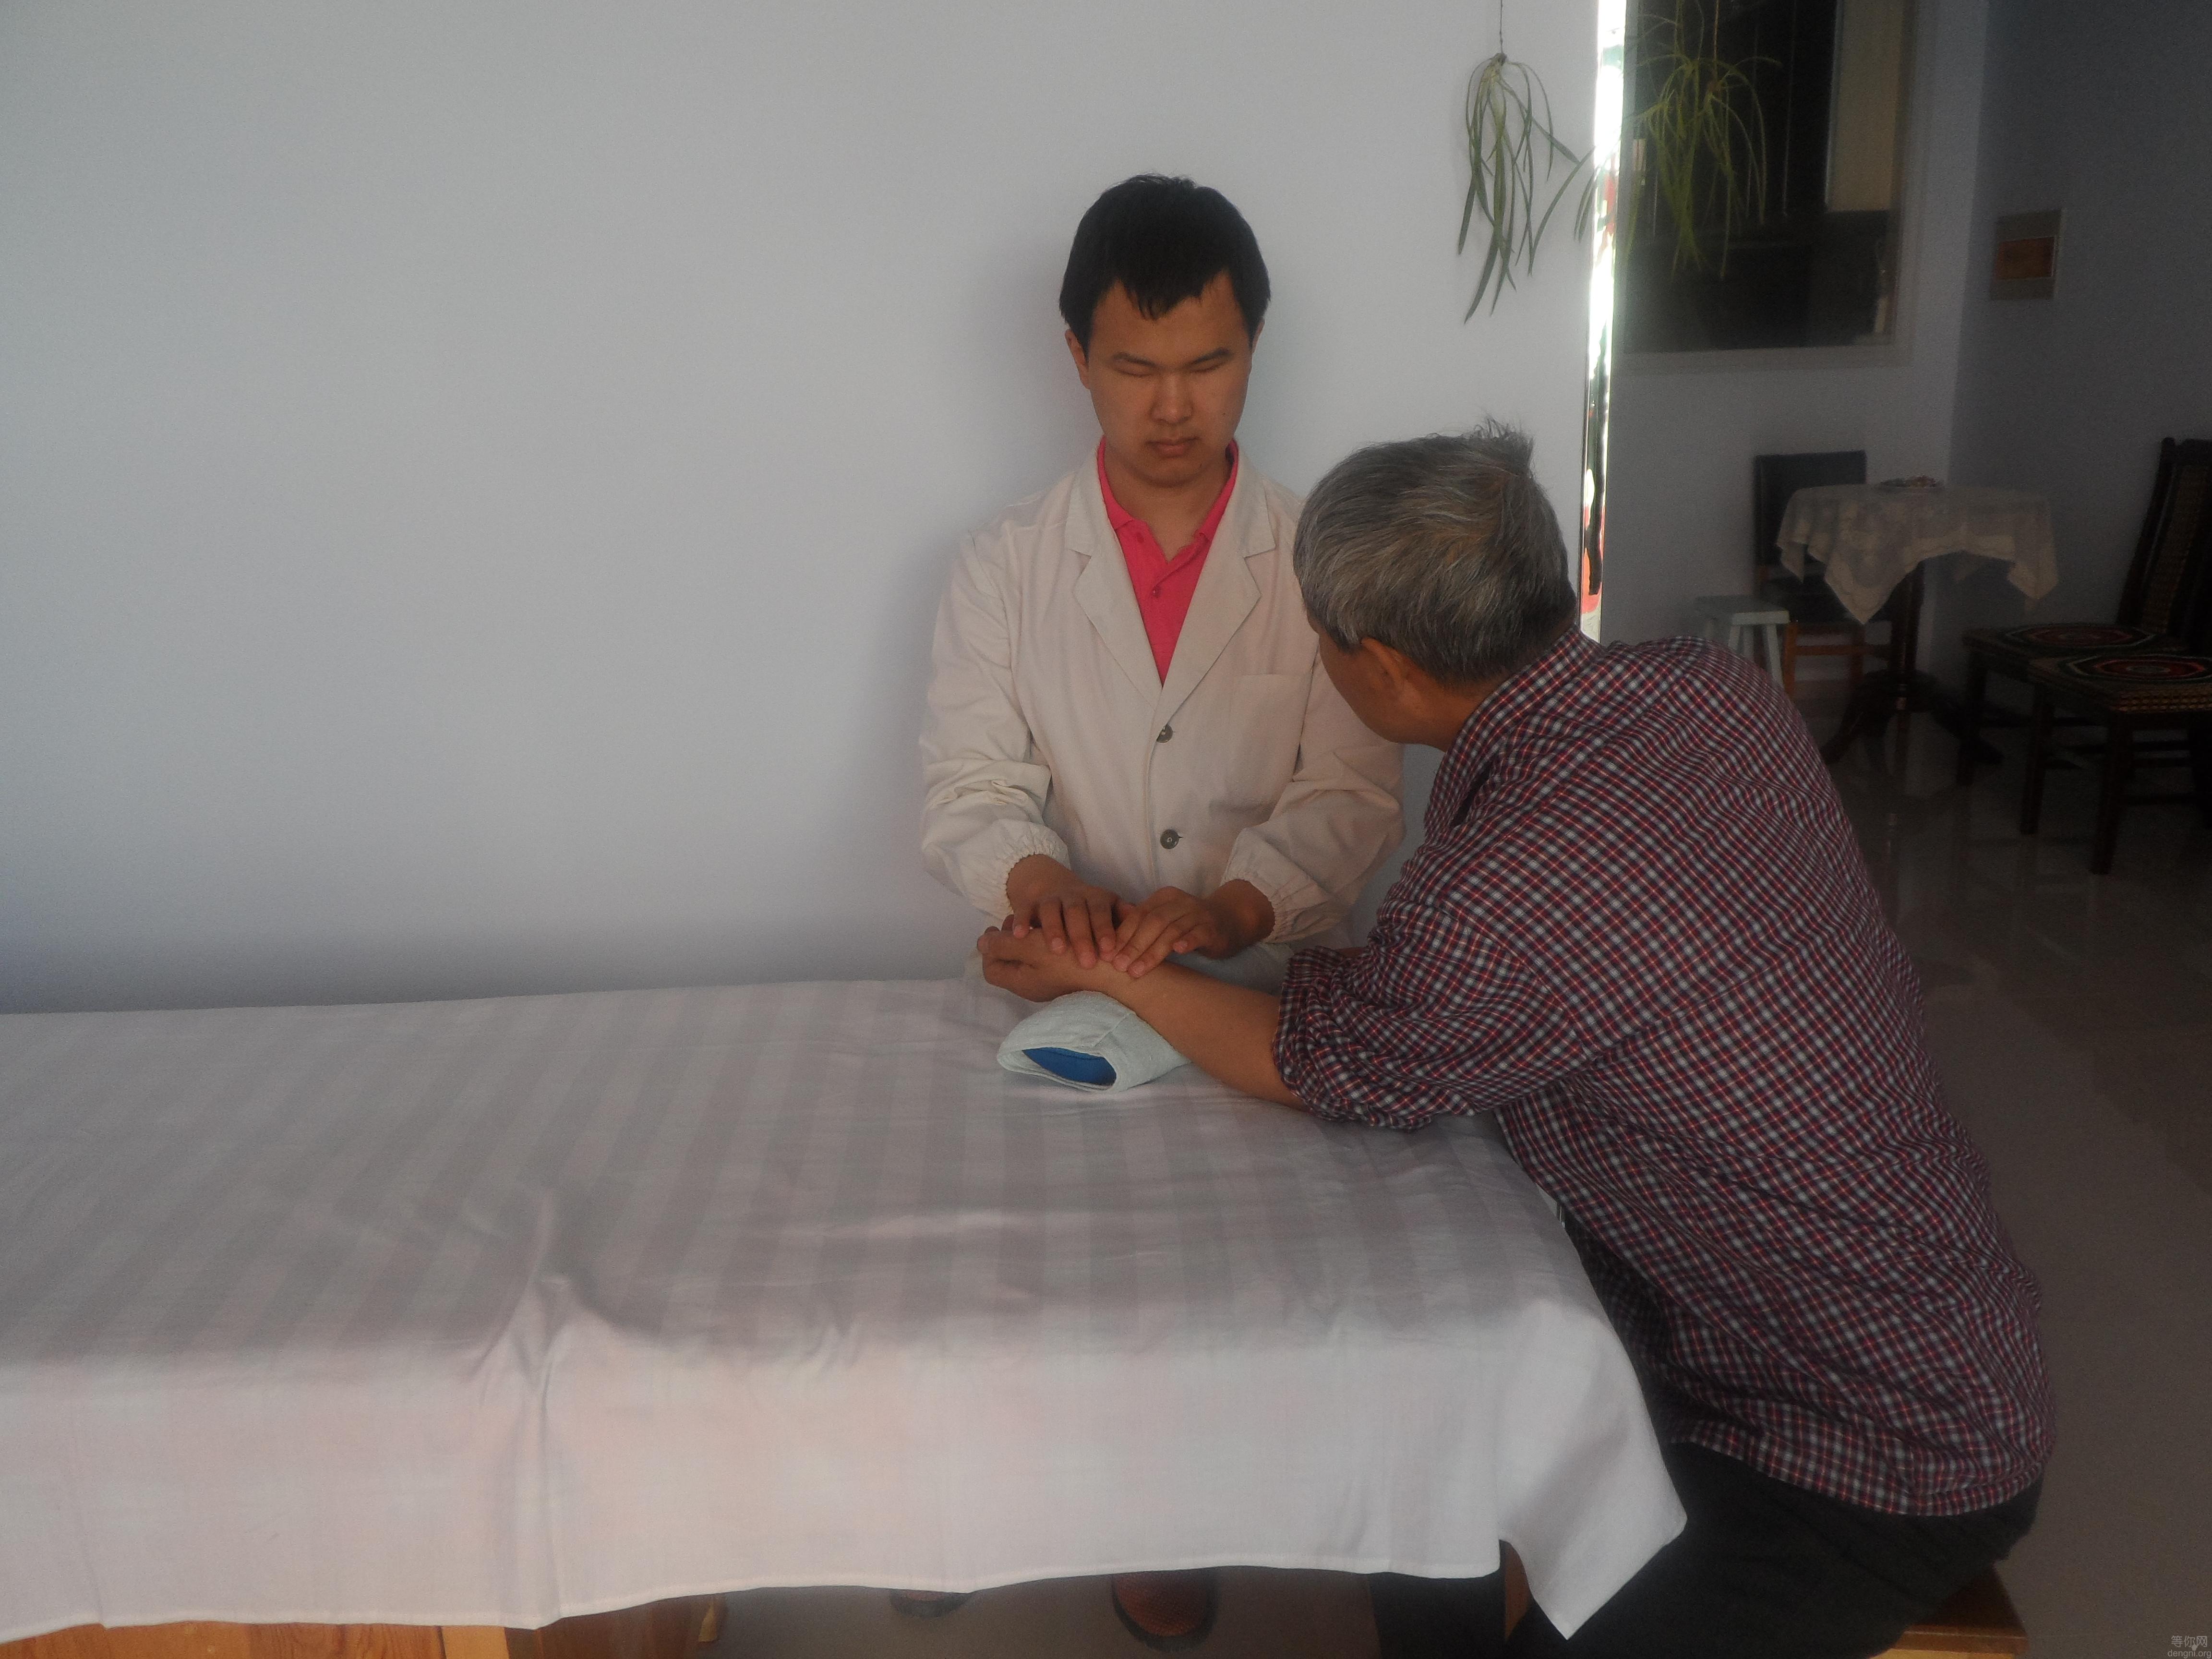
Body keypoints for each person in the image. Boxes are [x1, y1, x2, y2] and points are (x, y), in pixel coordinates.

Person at [977, 423, 2054, 1659]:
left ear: (1385, 670)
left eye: (1319, 637)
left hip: (1867, 1439)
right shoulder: (1712, 693)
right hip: (1909, 1321)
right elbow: (1465, 997)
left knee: (1435, 1399)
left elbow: (1325, 1063)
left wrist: (1106, 971)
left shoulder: (1501, 894)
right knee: (1428, 1444)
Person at [918, 177, 1405, 1647]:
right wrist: (1048, 888)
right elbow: (969, 785)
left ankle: (1189, 1514)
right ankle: (991, 1506)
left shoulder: (1321, 560)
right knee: (1042, 1280)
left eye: (1209, 363)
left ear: (1256, 348)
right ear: (1076, 356)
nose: (1174, 405)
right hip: (1067, 979)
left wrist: (1236, 906)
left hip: (1264, 991)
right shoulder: (1005, 565)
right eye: (1136, 367)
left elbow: (1352, 793)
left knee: (1237, 1292)